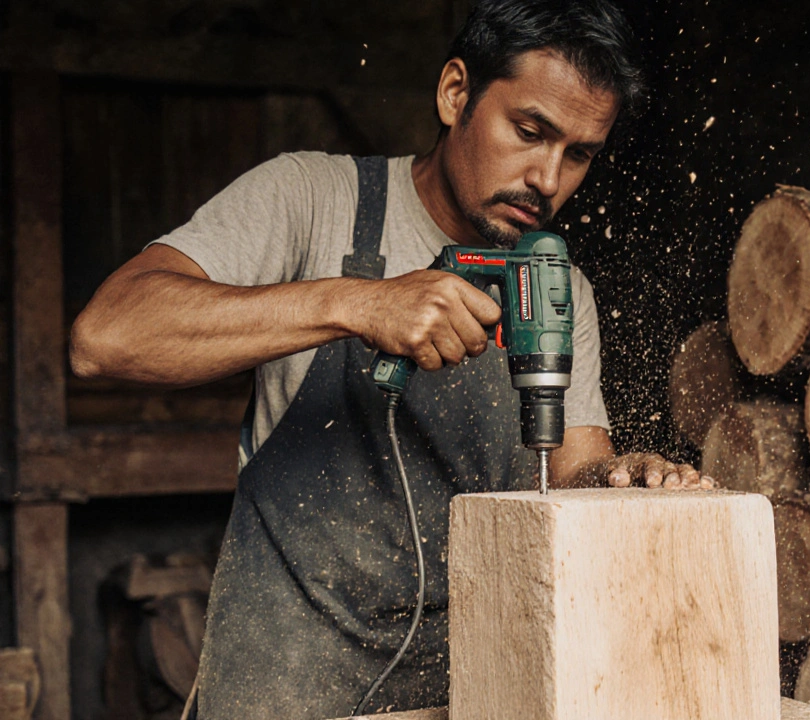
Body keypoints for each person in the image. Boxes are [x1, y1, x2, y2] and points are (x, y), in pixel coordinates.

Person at [69, 1, 710, 717]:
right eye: (530, 132)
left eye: (580, 154)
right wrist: (357, 304)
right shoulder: (312, 199)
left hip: (472, 687)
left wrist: (620, 480)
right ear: (456, 93)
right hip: (288, 682)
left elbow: (572, 467)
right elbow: (106, 337)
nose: (548, 178)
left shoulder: (556, 285)